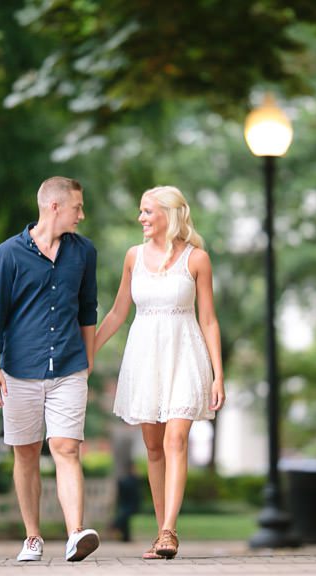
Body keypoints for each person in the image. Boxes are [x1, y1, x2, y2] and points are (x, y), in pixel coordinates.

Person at [95, 185, 225, 560]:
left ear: (170, 214)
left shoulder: (197, 259)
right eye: (140, 211)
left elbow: (209, 320)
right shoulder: (133, 257)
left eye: (148, 211)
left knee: (175, 440)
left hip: (185, 354)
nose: (141, 219)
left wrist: (218, 374)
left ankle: (169, 531)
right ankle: (159, 531)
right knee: (153, 447)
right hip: (144, 358)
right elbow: (119, 313)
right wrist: (88, 352)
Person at [0, 176, 100, 562]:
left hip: (68, 367)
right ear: (54, 207)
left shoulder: (84, 253)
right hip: (19, 369)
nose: (81, 215)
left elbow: (88, 311)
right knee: (26, 453)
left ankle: (75, 533)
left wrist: (88, 361)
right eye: (77, 208)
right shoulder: (8, 254)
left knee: (66, 447)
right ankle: (33, 537)